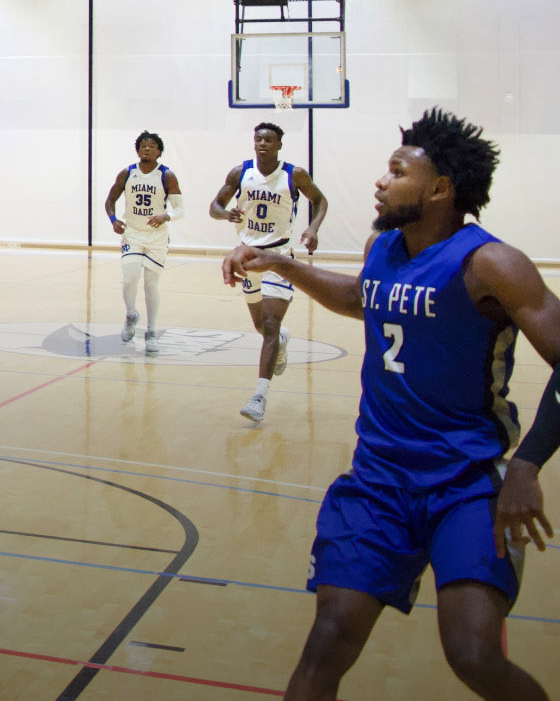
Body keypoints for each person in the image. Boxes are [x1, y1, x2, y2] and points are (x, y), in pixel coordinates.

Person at [223, 109, 558, 701]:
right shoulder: (383, 247)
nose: (380, 181)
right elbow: (363, 297)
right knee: (326, 643)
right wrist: (281, 263)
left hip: (468, 483)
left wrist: (527, 465)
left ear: (439, 190)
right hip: (378, 481)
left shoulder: (492, 264)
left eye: (396, 171)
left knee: (474, 654)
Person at [209, 120, 330, 423]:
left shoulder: (294, 174)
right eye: (258, 138)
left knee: (271, 323)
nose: (262, 143)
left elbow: (319, 199)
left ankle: (259, 396)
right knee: (262, 326)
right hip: (247, 258)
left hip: (278, 258)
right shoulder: (241, 172)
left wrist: (313, 229)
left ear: (278, 145)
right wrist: (225, 214)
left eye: (269, 139)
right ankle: (282, 341)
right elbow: (214, 205)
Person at [104, 131, 182, 357]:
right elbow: (110, 200)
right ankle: (131, 315)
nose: (147, 149)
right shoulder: (127, 173)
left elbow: (180, 209)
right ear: (137, 150)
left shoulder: (167, 176)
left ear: (159, 151)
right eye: (143, 146)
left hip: (156, 237)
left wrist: (166, 216)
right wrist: (113, 220)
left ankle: (151, 331)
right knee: (129, 279)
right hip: (133, 233)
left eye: (152, 146)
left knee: (151, 285)